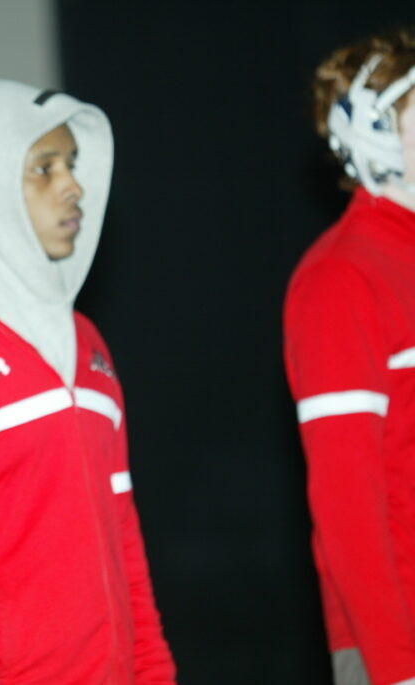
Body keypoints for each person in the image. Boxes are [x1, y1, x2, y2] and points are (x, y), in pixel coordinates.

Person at [0, 74, 176, 684]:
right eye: (44, 168)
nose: (74, 187)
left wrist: (155, 673)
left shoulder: (88, 342)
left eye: (73, 164)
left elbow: (124, 539)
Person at [284, 29, 415, 685]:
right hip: (399, 639)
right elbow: (346, 506)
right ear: (373, 135)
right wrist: (396, 667)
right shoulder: (342, 278)